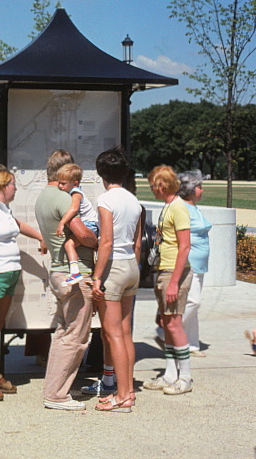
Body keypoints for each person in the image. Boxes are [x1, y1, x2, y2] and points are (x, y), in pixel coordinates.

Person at [0, 165, 47, 402]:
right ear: (3, 186)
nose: (16, 188)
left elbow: (18, 225)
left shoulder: (4, 209)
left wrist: (39, 236)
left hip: (9, 273)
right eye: (13, 183)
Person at [35, 149, 97, 411]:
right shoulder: (64, 198)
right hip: (76, 274)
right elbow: (83, 234)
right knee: (75, 336)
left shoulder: (42, 198)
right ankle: (57, 395)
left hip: (58, 272)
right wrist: (98, 242)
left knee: (63, 333)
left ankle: (54, 388)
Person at [88, 148, 142, 413]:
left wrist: (97, 277)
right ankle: (128, 389)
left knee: (113, 334)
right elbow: (137, 242)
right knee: (126, 332)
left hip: (114, 268)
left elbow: (106, 242)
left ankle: (121, 396)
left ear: (101, 174)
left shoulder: (105, 200)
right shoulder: (134, 201)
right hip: (132, 266)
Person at [143, 165, 193, 395]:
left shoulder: (179, 207)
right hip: (164, 270)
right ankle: (171, 374)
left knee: (174, 323)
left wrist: (174, 282)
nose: (151, 189)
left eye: (153, 185)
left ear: (161, 185)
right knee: (167, 323)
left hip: (175, 271)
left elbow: (184, 247)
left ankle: (185, 377)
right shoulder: (169, 206)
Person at [156, 170, 211, 356]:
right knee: (193, 302)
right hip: (189, 264)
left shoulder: (193, 207)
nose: (202, 191)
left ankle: (192, 343)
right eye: (199, 187)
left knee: (194, 304)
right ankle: (166, 329)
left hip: (199, 265)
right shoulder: (182, 208)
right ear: (189, 189)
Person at [56, 163, 99, 287]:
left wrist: (62, 222)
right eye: (59, 183)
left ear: (74, 183)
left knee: (69, 244)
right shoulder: (72, 192)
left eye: (63, 183)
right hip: (89, 224)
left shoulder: (76, 193)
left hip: (88, 224)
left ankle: (75, 273)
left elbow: (74, 209)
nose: (59, 186)